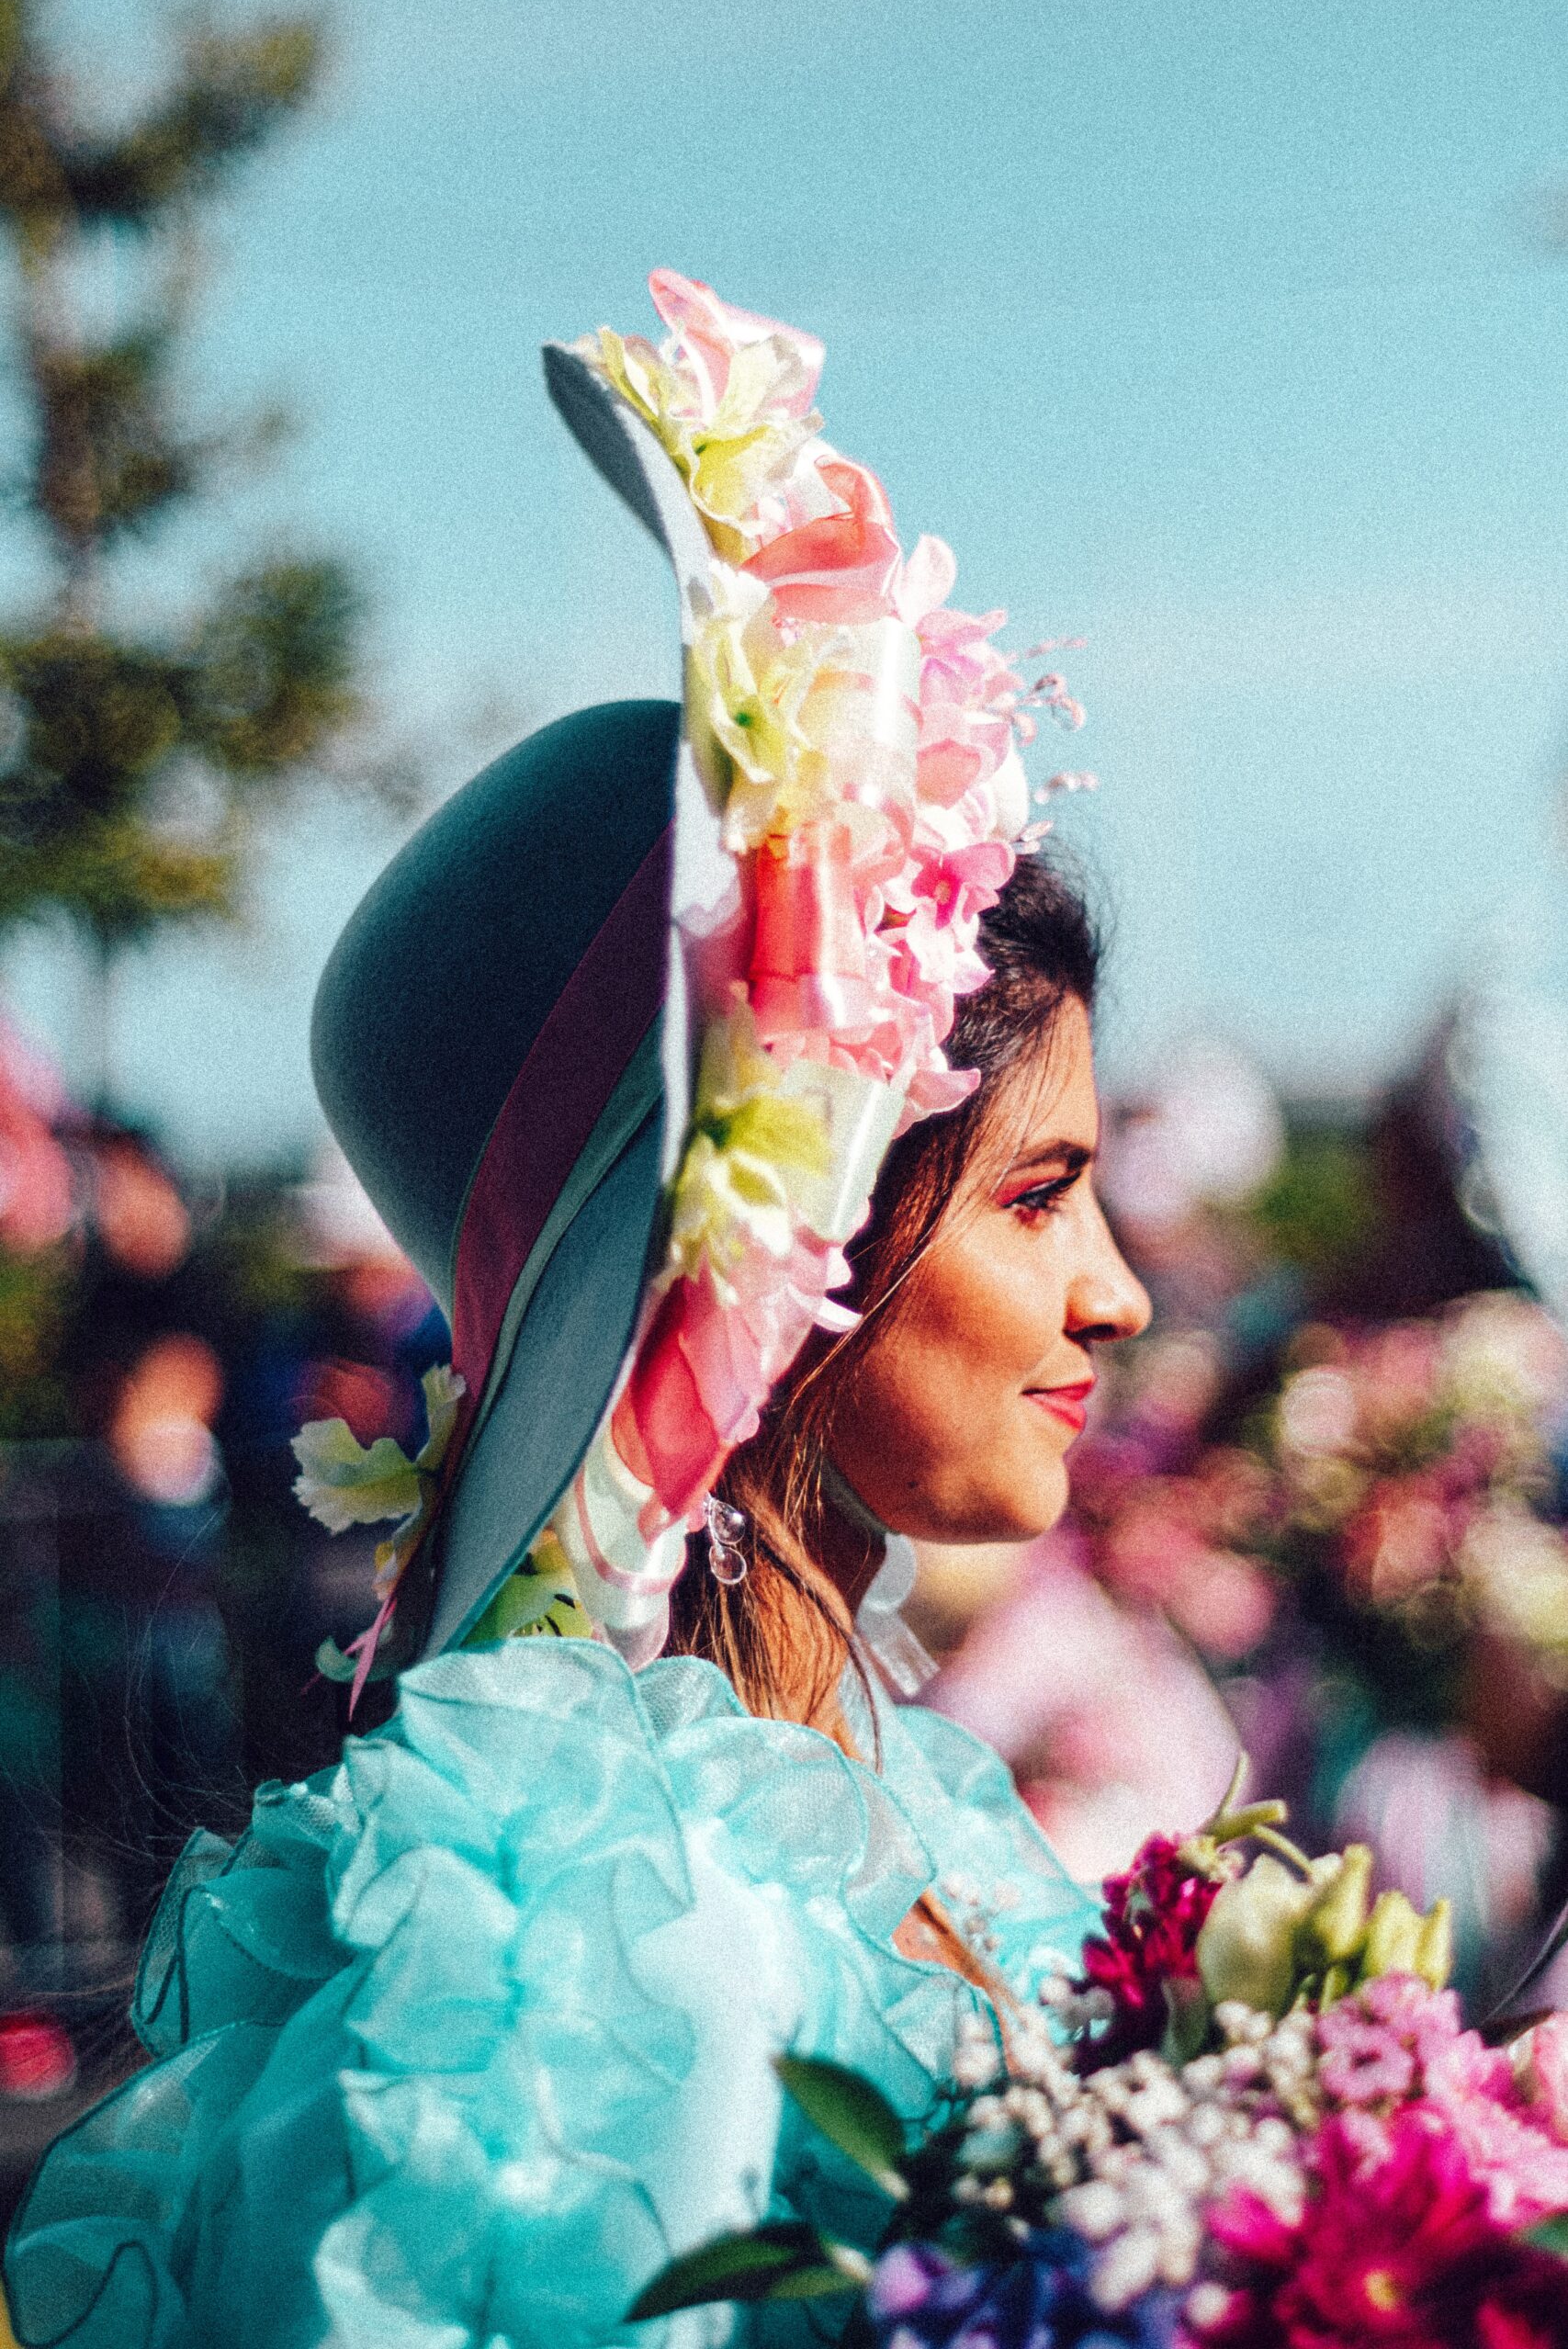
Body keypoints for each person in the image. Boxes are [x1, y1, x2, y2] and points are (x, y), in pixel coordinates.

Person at [3, 274, 1149, 2349]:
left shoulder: (833, 1807)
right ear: (788, 1257)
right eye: (1042, 1194)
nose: (1121, 1288)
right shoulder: (610, 1943)